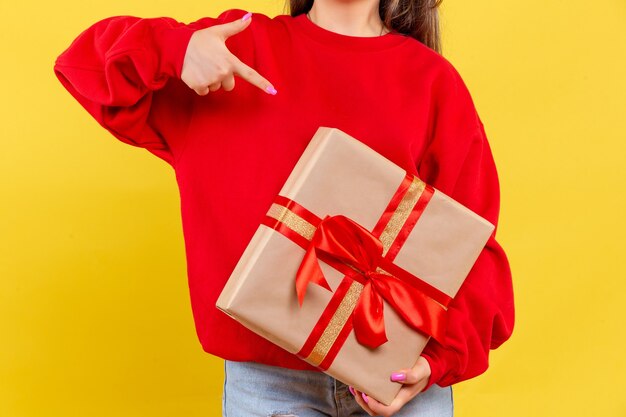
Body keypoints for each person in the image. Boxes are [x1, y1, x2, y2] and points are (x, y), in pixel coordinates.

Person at [53, 0, 515, 416]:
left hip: (400, 382)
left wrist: (436, 361)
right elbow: (83, 66)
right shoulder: (237, 48)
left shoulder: (433, 81)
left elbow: (471, 247)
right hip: (271, 388)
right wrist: (176, 50)